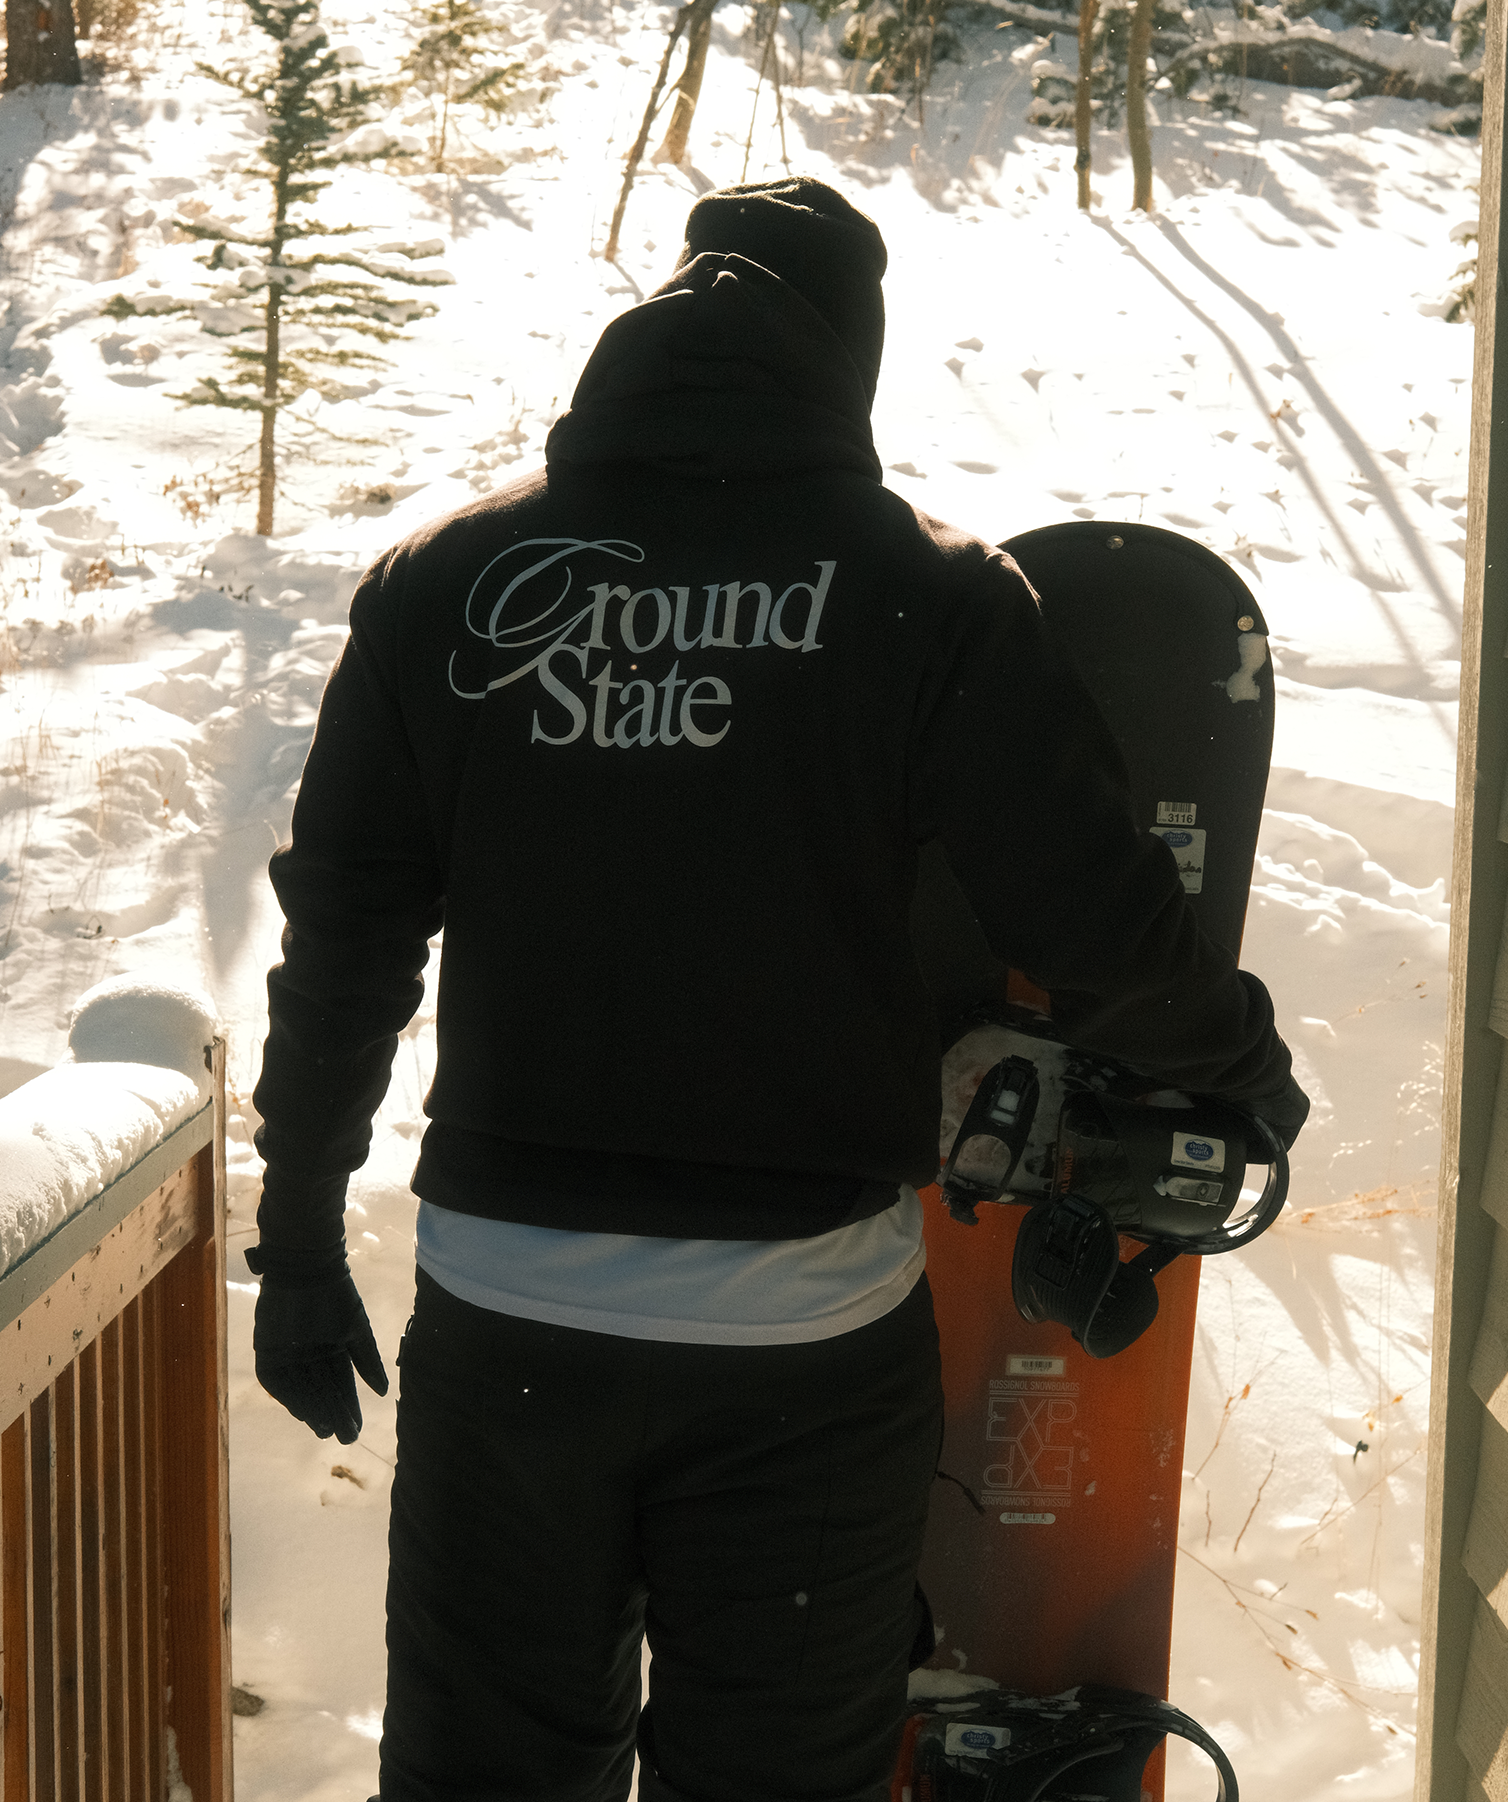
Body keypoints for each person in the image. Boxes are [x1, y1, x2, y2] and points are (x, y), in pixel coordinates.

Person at [247, 176, 1307, 1802]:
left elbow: (346, 942)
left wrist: (303, 1235)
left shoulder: (441, 584)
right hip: (800, 1344)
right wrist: (1234, 1064)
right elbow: (1096, 927)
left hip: (512, 1318)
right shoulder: (930, 597)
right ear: (849, 362)